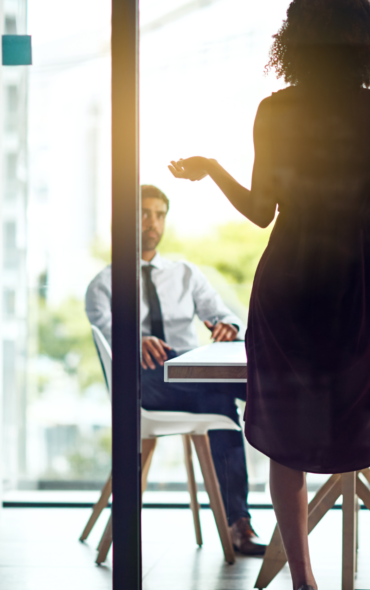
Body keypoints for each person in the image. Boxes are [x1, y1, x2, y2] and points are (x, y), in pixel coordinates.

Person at [167, 0, 370, 590]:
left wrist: (213, 169)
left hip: (287, 283)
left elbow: (258, 213)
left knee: (286, 438)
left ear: (296, 40)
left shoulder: (274, 111)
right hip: (352, 285)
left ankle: (305, 589)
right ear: (364, 40)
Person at [84, 184, 267, 556]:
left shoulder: (185, 273)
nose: (152, 223)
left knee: (227, 400)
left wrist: (227, 326)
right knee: (243, 393)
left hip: (194, 380)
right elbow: (107, 334)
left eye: (159, 214)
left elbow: (222, 314)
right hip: (144, 385)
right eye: (143, 214)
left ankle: (240, 523)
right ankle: (240, 522)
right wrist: (134, 339)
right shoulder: (103, 284)